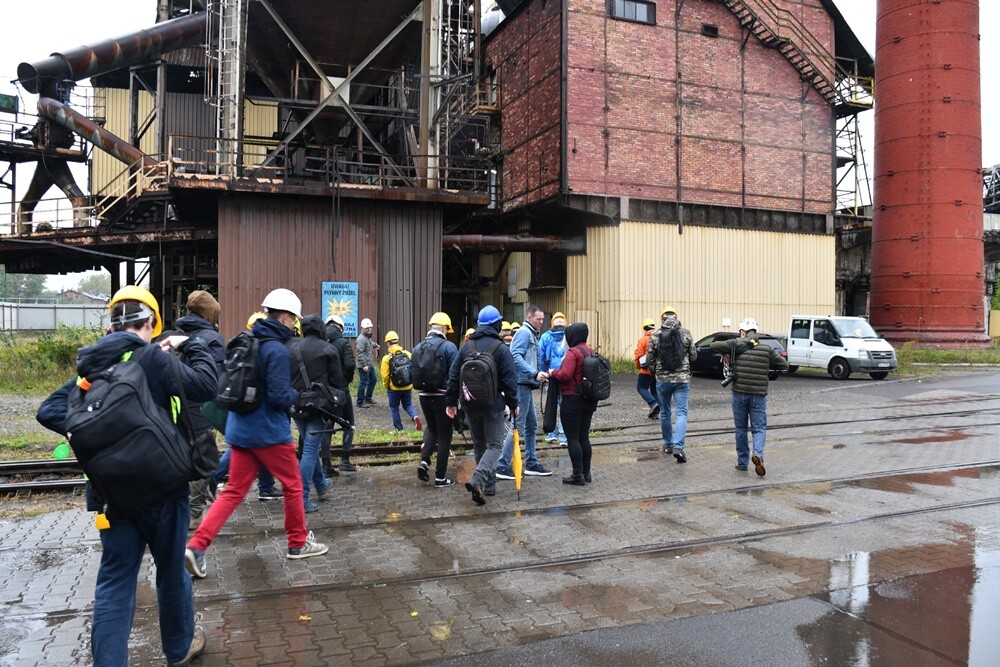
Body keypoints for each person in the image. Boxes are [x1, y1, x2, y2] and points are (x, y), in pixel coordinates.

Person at [36, 285, 217, 667]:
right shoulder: (154, 357)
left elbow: (50, 410)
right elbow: (206, 385)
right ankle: (179, 647)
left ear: (112, 324)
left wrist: (103, 435)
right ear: (151, 322)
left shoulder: (91, 368)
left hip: (111, 494)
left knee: (115, 582)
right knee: (169, 572)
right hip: (163, 489)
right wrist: (190, 345)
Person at [185, 288, 328, 581]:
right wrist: (297, 395)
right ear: (286, 316)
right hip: (269, 433)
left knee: (235, 491)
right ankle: (298, 543)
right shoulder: (275, 349)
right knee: (292, 484)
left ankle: (196, 546)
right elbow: (277, 395)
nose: (294, 325)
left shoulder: (248, 338)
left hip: (241, 429)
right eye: (293, 319)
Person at [162, 290, 226, 532]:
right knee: (203, 457)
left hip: (174, 404)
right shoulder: (212, 337)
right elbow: (217, 378)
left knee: (179, 454)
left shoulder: (175, 333)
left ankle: (180, 505)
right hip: (201, 407)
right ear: (210, 314)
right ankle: (195, 512)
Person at [446, 305, 520, 505]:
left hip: (469, 404)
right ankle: (479, 479)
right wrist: (513, 404)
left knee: (480, 444)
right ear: (496, 325)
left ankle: (488, 486)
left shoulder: (467, 347)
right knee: (494, 446)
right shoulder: (501, 349)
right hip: (492, 405)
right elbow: (510, 380)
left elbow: (454, 376)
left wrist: (451, 402)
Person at [210, 311, 280, 501]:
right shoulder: (256, 347)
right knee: (242, 448)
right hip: (252, 409)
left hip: (243, 407)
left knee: (258, 447)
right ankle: (213, 478)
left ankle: (266, 487)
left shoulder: (243, 343)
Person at [711, 317, 789, 476]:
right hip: (758, 395)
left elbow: (713, 345)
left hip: (739, 393)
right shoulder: (766, 349)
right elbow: (784, 365)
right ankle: (758, 454)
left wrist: (728, 350)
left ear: (743, 332)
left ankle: (742, 463)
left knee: (741, 428)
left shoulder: (735, 345)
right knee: (758, 428)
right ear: (755, 332)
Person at [288, 315, 343, 513]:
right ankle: (302, 498)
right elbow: (337, 381)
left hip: (296, 406)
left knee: (310, 445)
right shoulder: (328, 349)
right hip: (318, 406)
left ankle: (320, 485)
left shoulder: (293, 348)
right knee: (310, 451)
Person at [496, 305, 552, 480]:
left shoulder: (530, 334)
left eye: (543, 319)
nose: (541, 322)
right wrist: (534, 373)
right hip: (521, 385)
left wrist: (538, 375)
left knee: (531, 425)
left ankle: (532, 463)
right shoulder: (524, 333)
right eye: (538, 319)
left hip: (526, 384)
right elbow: (515, 356)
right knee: (517, 426)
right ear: (529, 317)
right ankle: (502, 465)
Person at [549, 322, 598, 485]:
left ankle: (577, 475)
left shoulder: (573, 353)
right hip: (588, 400)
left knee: (572, 438)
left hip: (572, 400)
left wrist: (552, 372)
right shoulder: (591, 351)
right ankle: (587, 473)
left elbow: (565, 375)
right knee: (584, 436)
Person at [646, 306, 698, 463]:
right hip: (682, 380)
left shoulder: (655, 336)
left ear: (662, 320)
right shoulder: (686, 333)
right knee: (681, 413)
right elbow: (694, 356)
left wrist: (657, 371)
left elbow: (650, 360)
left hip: (662, 380)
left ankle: (668, 444)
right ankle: (678, 446)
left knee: (664, 412)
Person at [414, 312, 459, 487]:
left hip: (424, 395)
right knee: (445, 435)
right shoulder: (449, 347)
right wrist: (454, 400)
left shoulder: (418, 347)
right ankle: (441, 477)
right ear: (445, 328)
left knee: (432, 429)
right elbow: (455, 375)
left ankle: (424, 462)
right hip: (443, 396)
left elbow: (412, 373)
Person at [324, 314, 357, 474]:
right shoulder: (344, 343)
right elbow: (350, 364)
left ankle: (326, 465)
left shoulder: (321, 342)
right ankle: (344, 461)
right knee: (348, 425)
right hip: (341, 391)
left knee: (327, 427)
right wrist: (346, 381)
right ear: (341, 327)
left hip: (324, 392)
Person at [380, 331, 422, 431]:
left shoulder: (387, 358)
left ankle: (399, 429)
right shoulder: (408, 354)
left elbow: (385, 376)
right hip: (407, 386)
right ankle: (415, 417)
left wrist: (387, 386)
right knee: (408, 405)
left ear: (388, 343)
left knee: (394, 408)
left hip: (394, 388)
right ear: (398, 341)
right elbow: (414, 369)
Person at [539, 311, 568, 445]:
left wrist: (542, 373)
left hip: (550, 375)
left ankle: (551, 433)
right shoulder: (569, 336)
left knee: (551, 404)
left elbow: (541, 356)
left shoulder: (545, 336)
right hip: (566, 375)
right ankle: (564, 436)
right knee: (565, 405)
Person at [634, 317, 660, 420]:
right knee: (654, 391)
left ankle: (653, 403)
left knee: (641, 388)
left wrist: (638, 367)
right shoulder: (659, 338)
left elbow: (638, 355)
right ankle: (656, 413)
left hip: (646, 370)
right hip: (657, 370)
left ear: (644, 328)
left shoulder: (643, 339)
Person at [355, 317, 380, 407]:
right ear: (363, 328)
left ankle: (368, 398)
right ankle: (360, 402)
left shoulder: (367, 338)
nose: (369, 329)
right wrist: (364, 365)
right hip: (364, 365)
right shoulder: (361, 339)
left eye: (370, 327)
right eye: (367, 328)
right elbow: (359, 353)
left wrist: (376, 345)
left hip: (369, 364)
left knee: (373, 380)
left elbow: (369, 344)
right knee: (363, 382)